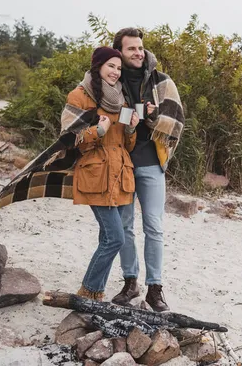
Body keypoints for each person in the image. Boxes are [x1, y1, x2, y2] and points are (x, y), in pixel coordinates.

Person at [109, 28, 184, 311]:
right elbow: (104, 116)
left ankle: (155, 288)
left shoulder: (161, 81)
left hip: (152, 163)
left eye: (140, 48)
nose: (138, 53)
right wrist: (136, 114)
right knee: (125, 227)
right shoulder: (110, 80)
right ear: (120, 51)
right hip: (122, 164)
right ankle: (131, 282)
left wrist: (150, 117)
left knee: (154, 227)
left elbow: (175, 120)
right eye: (132, 49)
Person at [69, 46, 140, 301]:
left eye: (119, 68)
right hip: (96, 176)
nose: (115, 72)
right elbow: (68, 140)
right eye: (111, 66)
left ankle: (96, 293)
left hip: (121, 176)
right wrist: (95, 132)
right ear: (98, 66)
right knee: (115, 239)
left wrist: (131, 130)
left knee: (107, 237)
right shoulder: (80, 96)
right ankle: (87, 290)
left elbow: (126, 145)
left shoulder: (121, 100)